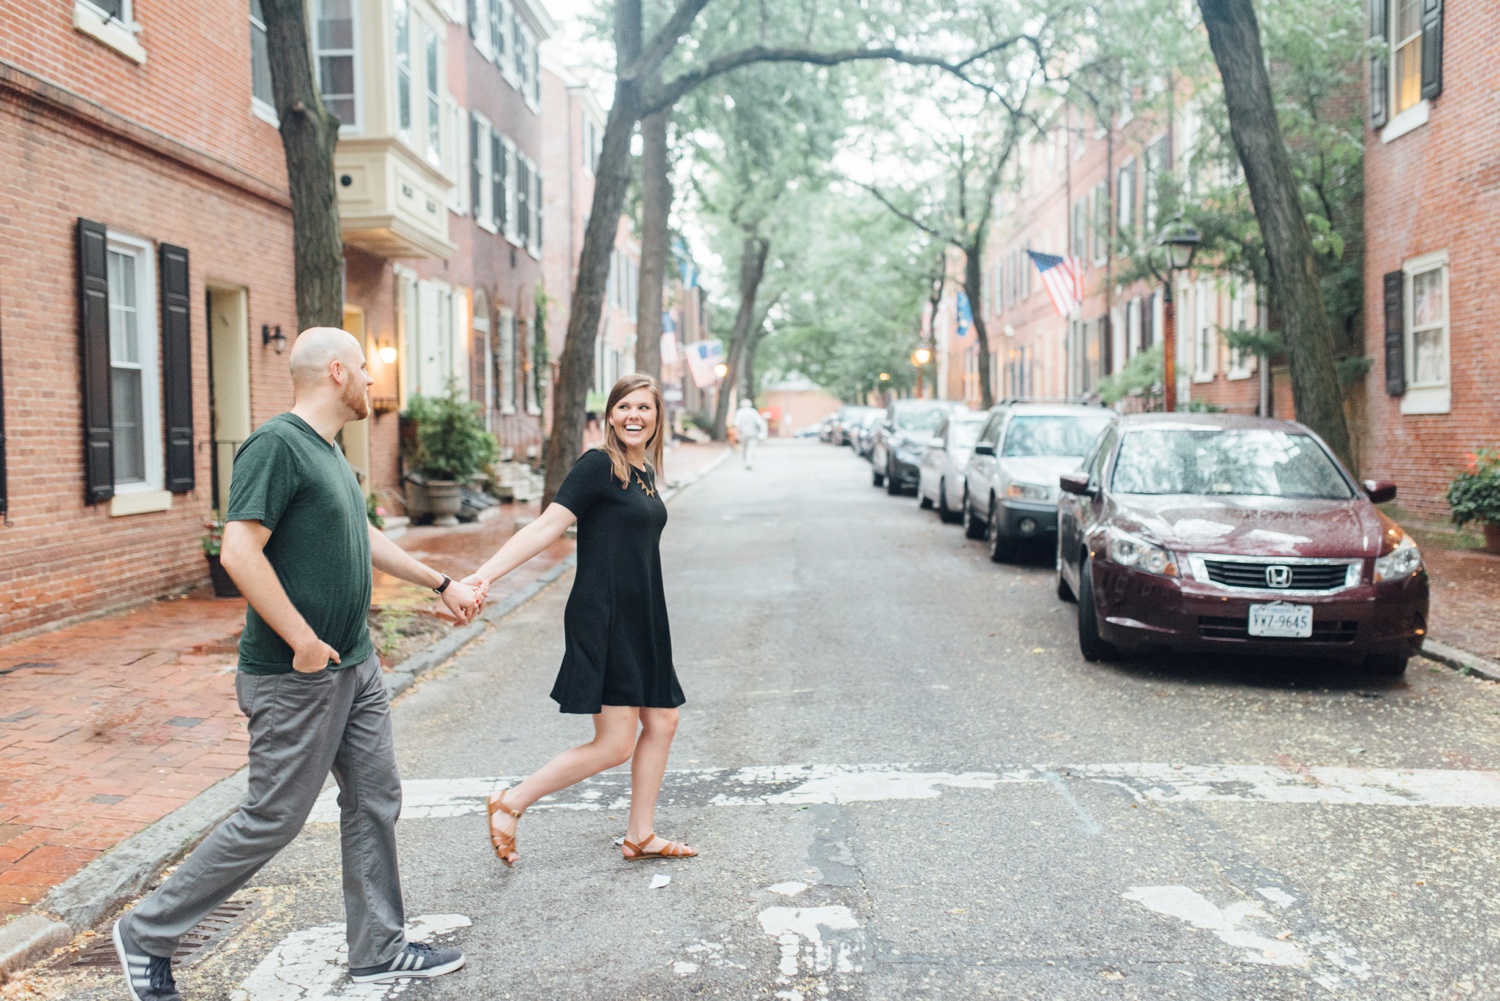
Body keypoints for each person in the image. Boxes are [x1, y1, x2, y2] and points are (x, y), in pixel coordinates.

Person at [113, 328, 483, 1001]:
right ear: (337, 372)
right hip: (297, 675)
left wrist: (440, 582)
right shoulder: (276, 444)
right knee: (274, 816)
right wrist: (302, 640)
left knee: (374, 798)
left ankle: (378, 948)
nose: (374, 382)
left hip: (355, 666)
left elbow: (363, 536)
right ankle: (148, 931)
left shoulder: (332, 454)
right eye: (366, 370)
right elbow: (238, 551)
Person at [463, 373, 696, 867]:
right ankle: (512, 801)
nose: (635, 416)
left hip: (645, 615)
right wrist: (480, 578)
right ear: (610, 415)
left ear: (657, 418)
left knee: (663, 720)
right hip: (606, 614)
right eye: (625, 407)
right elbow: (548, 525)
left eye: (645, 408)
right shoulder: (598, 466)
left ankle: (641, 834)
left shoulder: (644, 473)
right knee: (614, 745)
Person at [733, 398, 768, 470]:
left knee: (744, 449)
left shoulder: (739, 412)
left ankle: (746, 462)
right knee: (751, 448)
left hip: (742, 434)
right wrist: (762, 433)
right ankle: (749, 462)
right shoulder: (753, 412)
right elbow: (760, 423)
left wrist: (736, 435)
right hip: (752, 433)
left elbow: (736, 425)